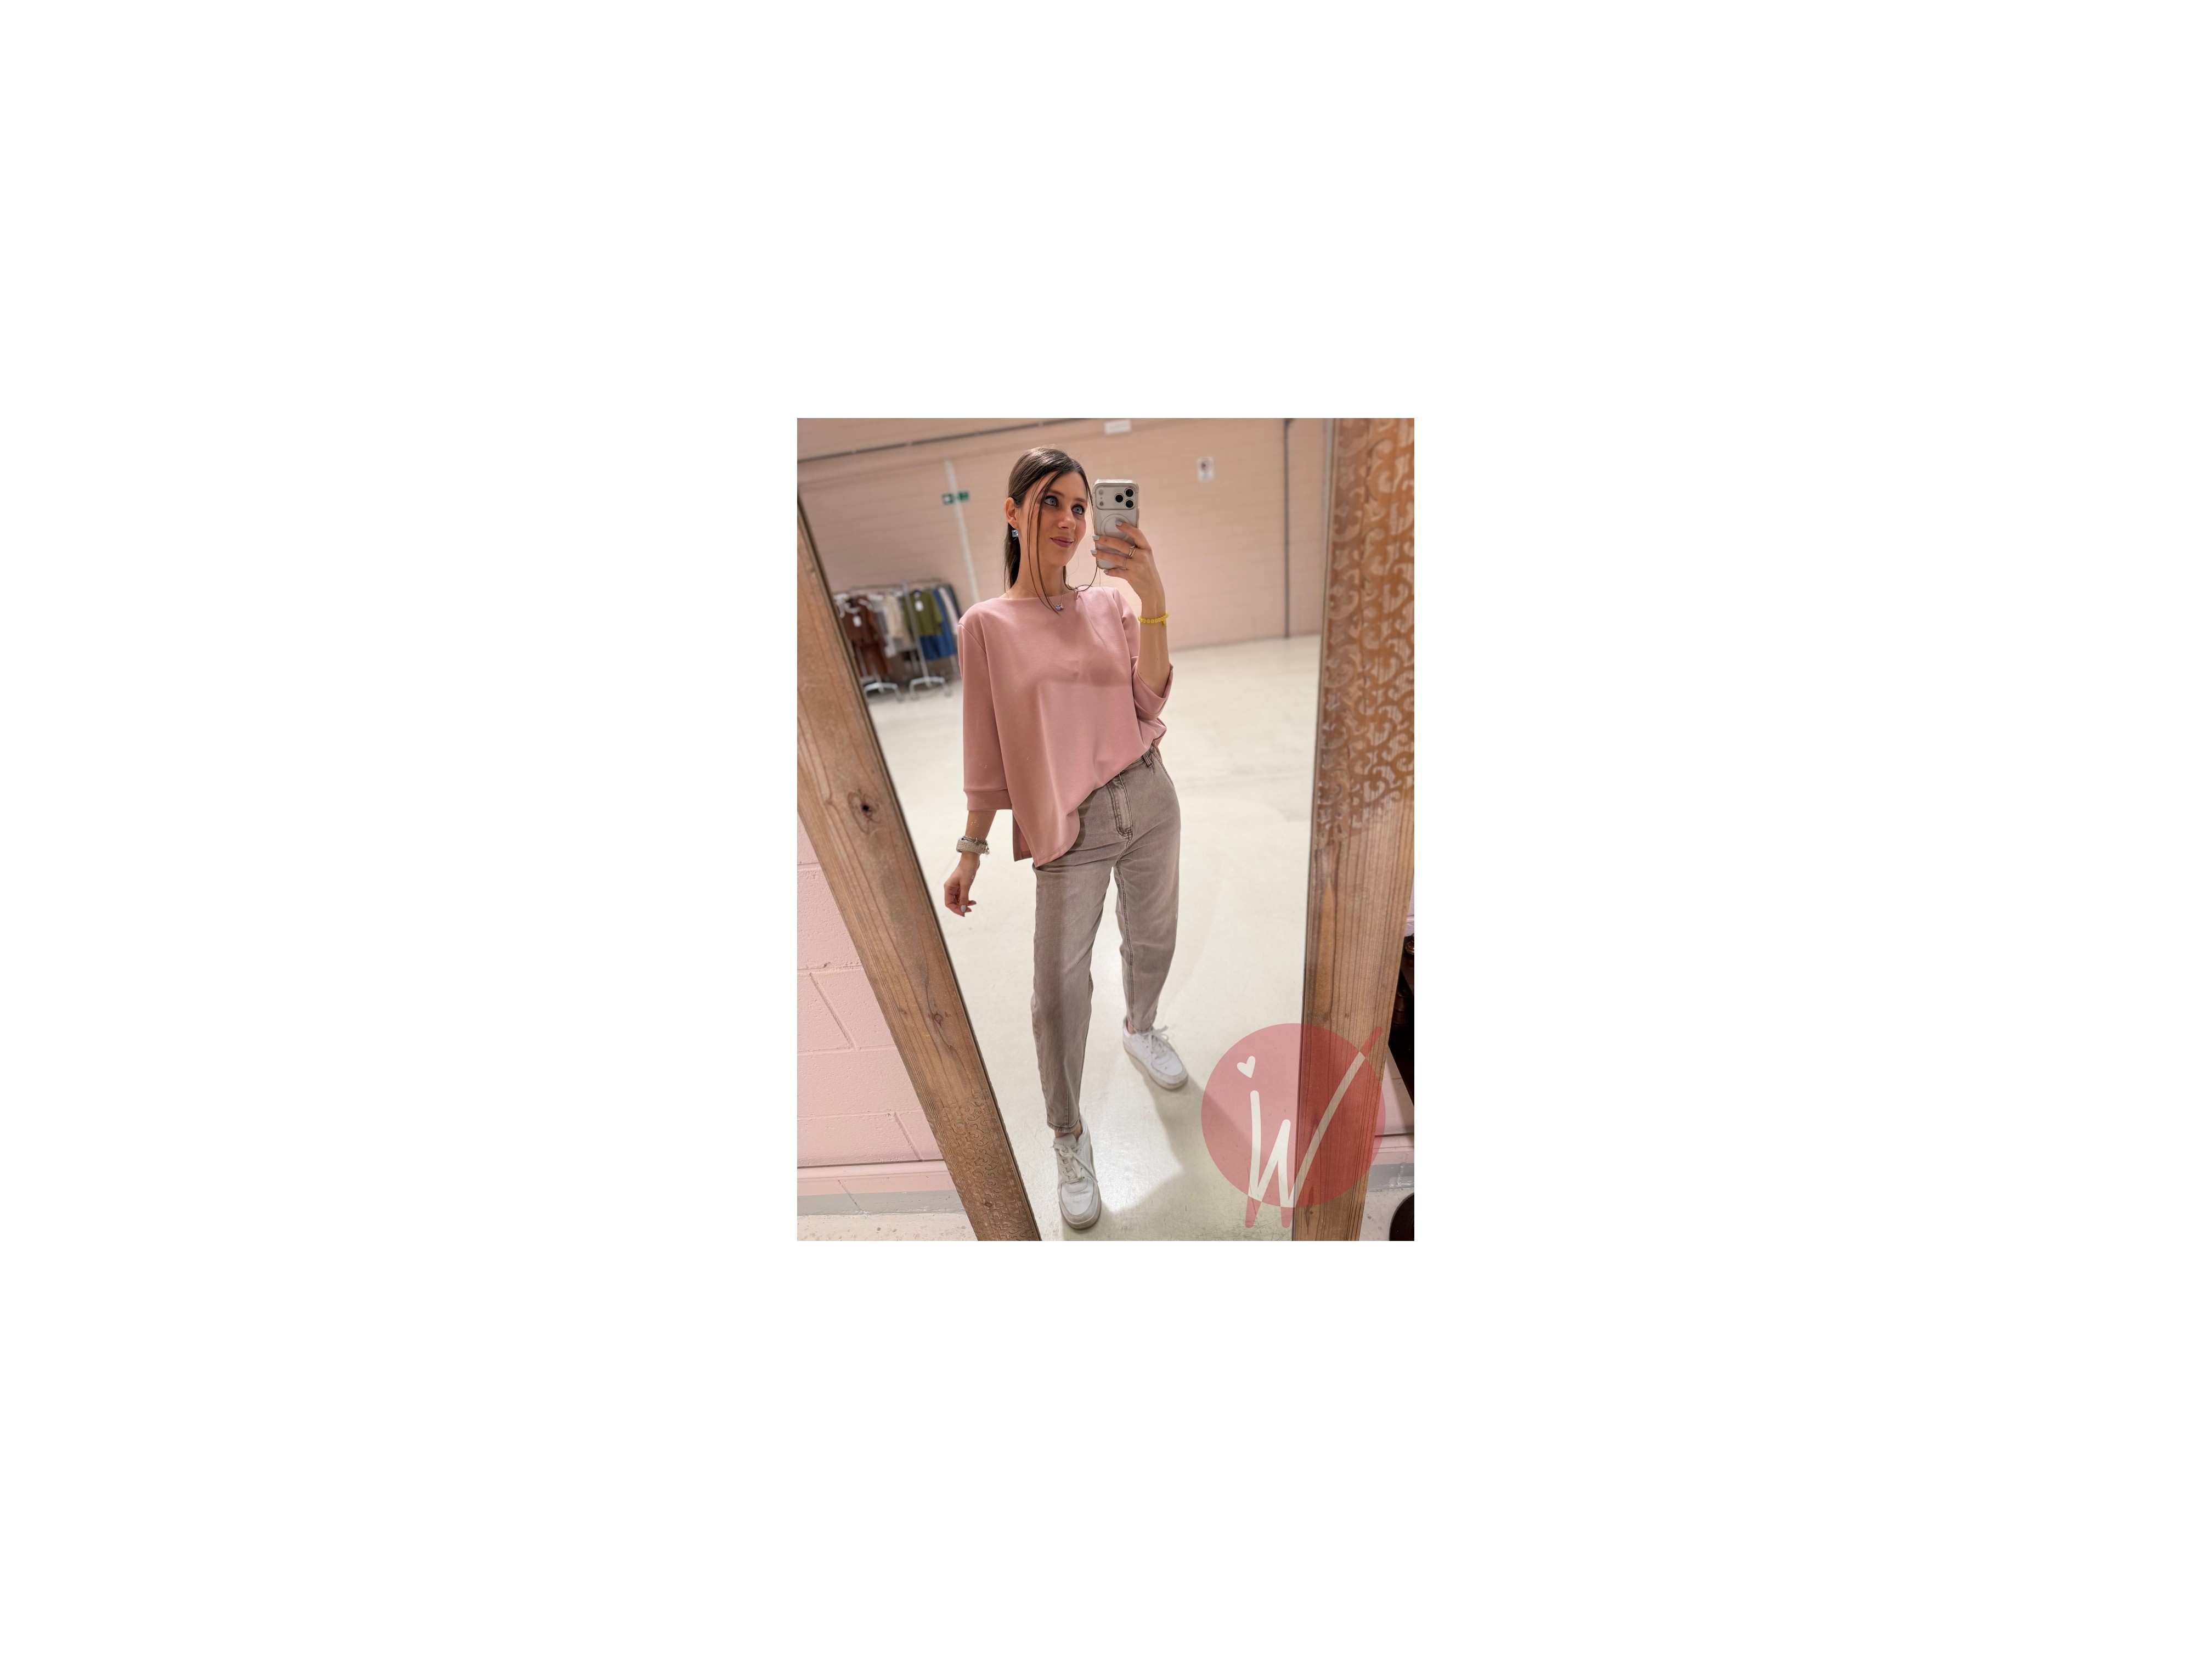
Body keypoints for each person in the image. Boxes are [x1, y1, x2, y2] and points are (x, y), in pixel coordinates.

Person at [942, 446, 1185, 1231]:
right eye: (1051, 502)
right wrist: (972, 848)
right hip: (1069, 825)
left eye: (1080, 506)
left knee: (1153, 937)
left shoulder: (1110, 603)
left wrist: (1152, 596)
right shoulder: (985, 626)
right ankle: (1068, 1134)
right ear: (1013, 512)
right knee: (1057, 992)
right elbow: (985, 749)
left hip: (1147, 794)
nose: (1071, 520)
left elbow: (1150, 697)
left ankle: (1142, 1027)